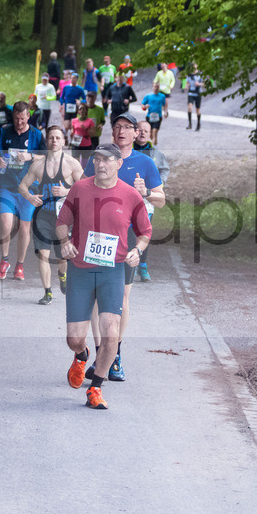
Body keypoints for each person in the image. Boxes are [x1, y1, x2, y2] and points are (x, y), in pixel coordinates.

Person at [58, 142, 151, 410]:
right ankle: (81, 354)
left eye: (107, 160)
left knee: (110, 335)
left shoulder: (131, 195)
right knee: (74, 338)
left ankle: (96, 387)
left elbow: (145, 231)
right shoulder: (79, 189)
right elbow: (62, 221)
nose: (101, 164)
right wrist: (65, 242)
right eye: (97, 159)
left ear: (118, 163)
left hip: (112, 271)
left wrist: (137, 250)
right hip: (81, 270)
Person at [82, 114, 165, 383]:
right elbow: (81, 190)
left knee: (121, 299)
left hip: (127, 237)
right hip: (97, 236)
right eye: (116, 127)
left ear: (135, 133)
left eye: (126, 128)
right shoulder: (99, 158)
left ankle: (114, 353)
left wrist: (146, 192)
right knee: (95, 297)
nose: (120, 131)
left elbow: (162, 199)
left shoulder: (145, 162)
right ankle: (100, 352)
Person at [18, 125, 84, 305]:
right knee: (43, 254)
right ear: (46, 141)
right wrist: (30, 196)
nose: (54, 141)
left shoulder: (72, 164)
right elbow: (22, 186)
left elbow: (86, 190)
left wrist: (66, 191)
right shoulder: (38, 165)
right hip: (43, 217)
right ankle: (47, 292)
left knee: (63, 257)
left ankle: (62, 275)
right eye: (51, 138)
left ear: (63, 141)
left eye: (57, 138)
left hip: (64, 218)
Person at [0, 100, 45, 281]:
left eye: (22, 119)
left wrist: (31, 156)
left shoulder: (36, 135)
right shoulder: (4, 131)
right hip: (7, 186)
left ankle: (19, 265)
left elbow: (46, 156)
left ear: (28, 116)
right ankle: (4, 260)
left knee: (24, 227)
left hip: (29, 188)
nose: (19, 123)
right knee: (5, 224)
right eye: (16, 118)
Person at [131, 120, 169, 282]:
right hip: (128, 198)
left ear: (150, 133)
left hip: (147, 199)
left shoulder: (156, 153)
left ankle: (143, 265)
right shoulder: (127, 150)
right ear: (135, 132)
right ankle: (126, 263)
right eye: (140, 130)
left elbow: (165, 169)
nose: (143, 133)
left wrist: (157, 185)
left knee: (144, 233)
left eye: (146, 130)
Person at [186, 64, 205, 131]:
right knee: (189, 107)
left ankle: (198, 124)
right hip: (191, 93)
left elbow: (204, 83)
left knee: (197, 110)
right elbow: (187, 82)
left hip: (198, 93)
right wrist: (186, 86)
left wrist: (199, 84)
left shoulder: (200, 75)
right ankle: (190, 124)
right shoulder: (189, 75)